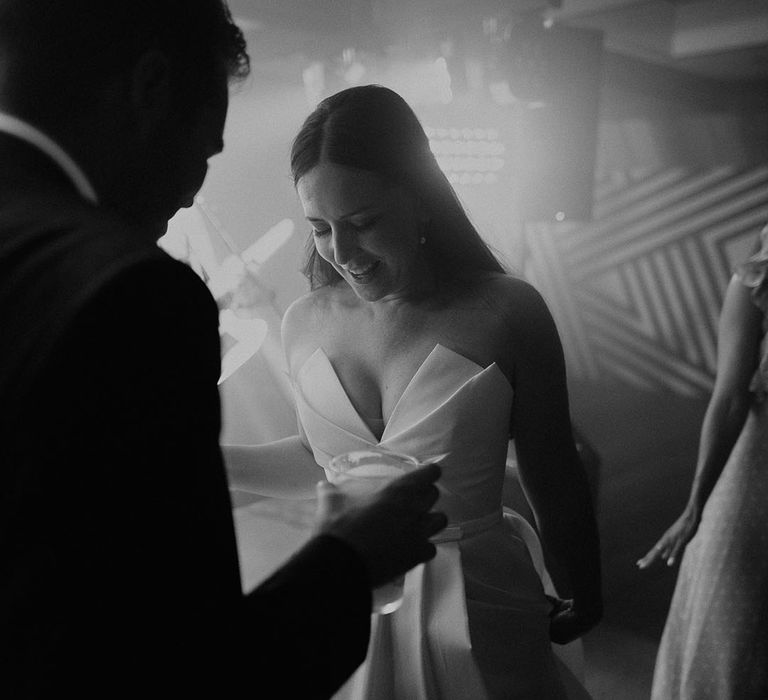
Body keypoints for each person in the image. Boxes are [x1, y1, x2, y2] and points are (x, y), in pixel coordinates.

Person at [0, 4, 447, 699]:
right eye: (205, 151)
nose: (191, 191)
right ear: (150, 87)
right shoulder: (129, 294)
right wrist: (351, 558)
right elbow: (196, 669)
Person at [226, 84, 603, 699]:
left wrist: (585, 587)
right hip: (352, 596)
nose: (342, 252)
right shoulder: (303, 321)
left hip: (479, 604)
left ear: (422, 201)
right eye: (319, 228)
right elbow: (326, 464)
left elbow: (552, 469)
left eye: (363, 223)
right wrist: (200, 462)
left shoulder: (508, 311)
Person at [638, 223, 768, 699]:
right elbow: (730, 398)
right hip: (756, 485)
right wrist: (696, 506)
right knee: (728, 636)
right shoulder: (758, 277)